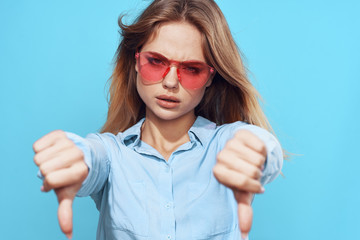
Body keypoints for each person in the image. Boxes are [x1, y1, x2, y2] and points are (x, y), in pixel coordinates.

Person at [33, 0, 283, 239]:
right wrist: (74, 157)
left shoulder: (226, 144)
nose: (171, 82)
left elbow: (261, 147)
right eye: (156, 62)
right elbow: (91, 156)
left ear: (209, 78)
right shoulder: (111, 155)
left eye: (192, 69)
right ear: (136, 62)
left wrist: (259, 154)